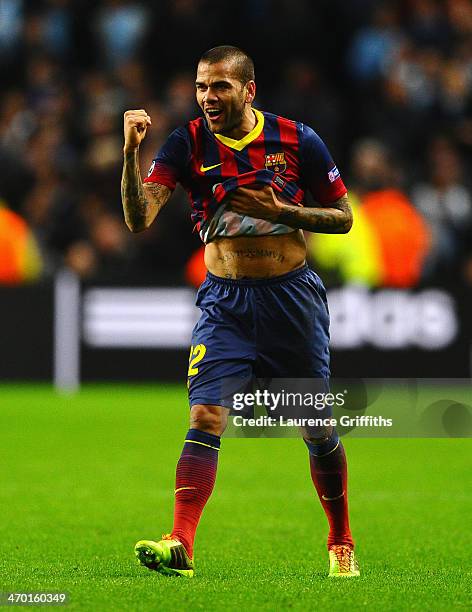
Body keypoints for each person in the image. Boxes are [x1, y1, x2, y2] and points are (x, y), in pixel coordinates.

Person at [121, 45, 359, 579]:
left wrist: (285, 212)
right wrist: (130, 156)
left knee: (315, 427)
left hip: (290, 300)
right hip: (224, 302)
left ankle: (340, 538)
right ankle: (180, 542)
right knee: (205, 416)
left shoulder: (298, 139)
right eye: (202, 86)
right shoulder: (185, 144)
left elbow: (343, 219)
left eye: (220, 87)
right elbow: (139, 219)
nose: (208, 97)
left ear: (249, 90)